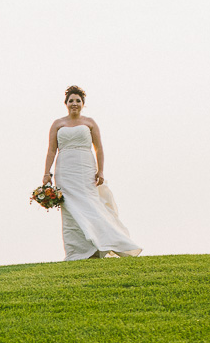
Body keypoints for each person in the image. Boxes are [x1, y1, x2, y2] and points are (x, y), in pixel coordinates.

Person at [42, 86, 142, 259]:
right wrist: (46, 173)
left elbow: (99, 148)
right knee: (70, 209)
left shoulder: (90, 122)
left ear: (83, 104)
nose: (74, 104)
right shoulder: (58, 124)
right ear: (66, 103)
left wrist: (100, 171)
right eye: (71, 101)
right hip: (65, 170)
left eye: (78, 101)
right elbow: (51, 150)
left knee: (90, 206)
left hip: (85, 168)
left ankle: (108, 242)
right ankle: (78, 251)